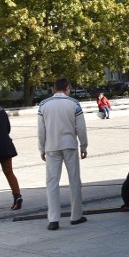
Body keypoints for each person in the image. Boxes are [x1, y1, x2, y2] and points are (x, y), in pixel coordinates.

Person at [38, 78, 88, 230]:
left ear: (54, 89)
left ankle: (53, 219)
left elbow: (41, 131)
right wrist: (84, 146)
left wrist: (42, 148)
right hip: (70, 145)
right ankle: (76, 216)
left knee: (52, 183)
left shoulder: (43, 105)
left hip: (51, 146)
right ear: (67, 88)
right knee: (74, 181)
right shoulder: (74, 103)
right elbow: (81, 128)